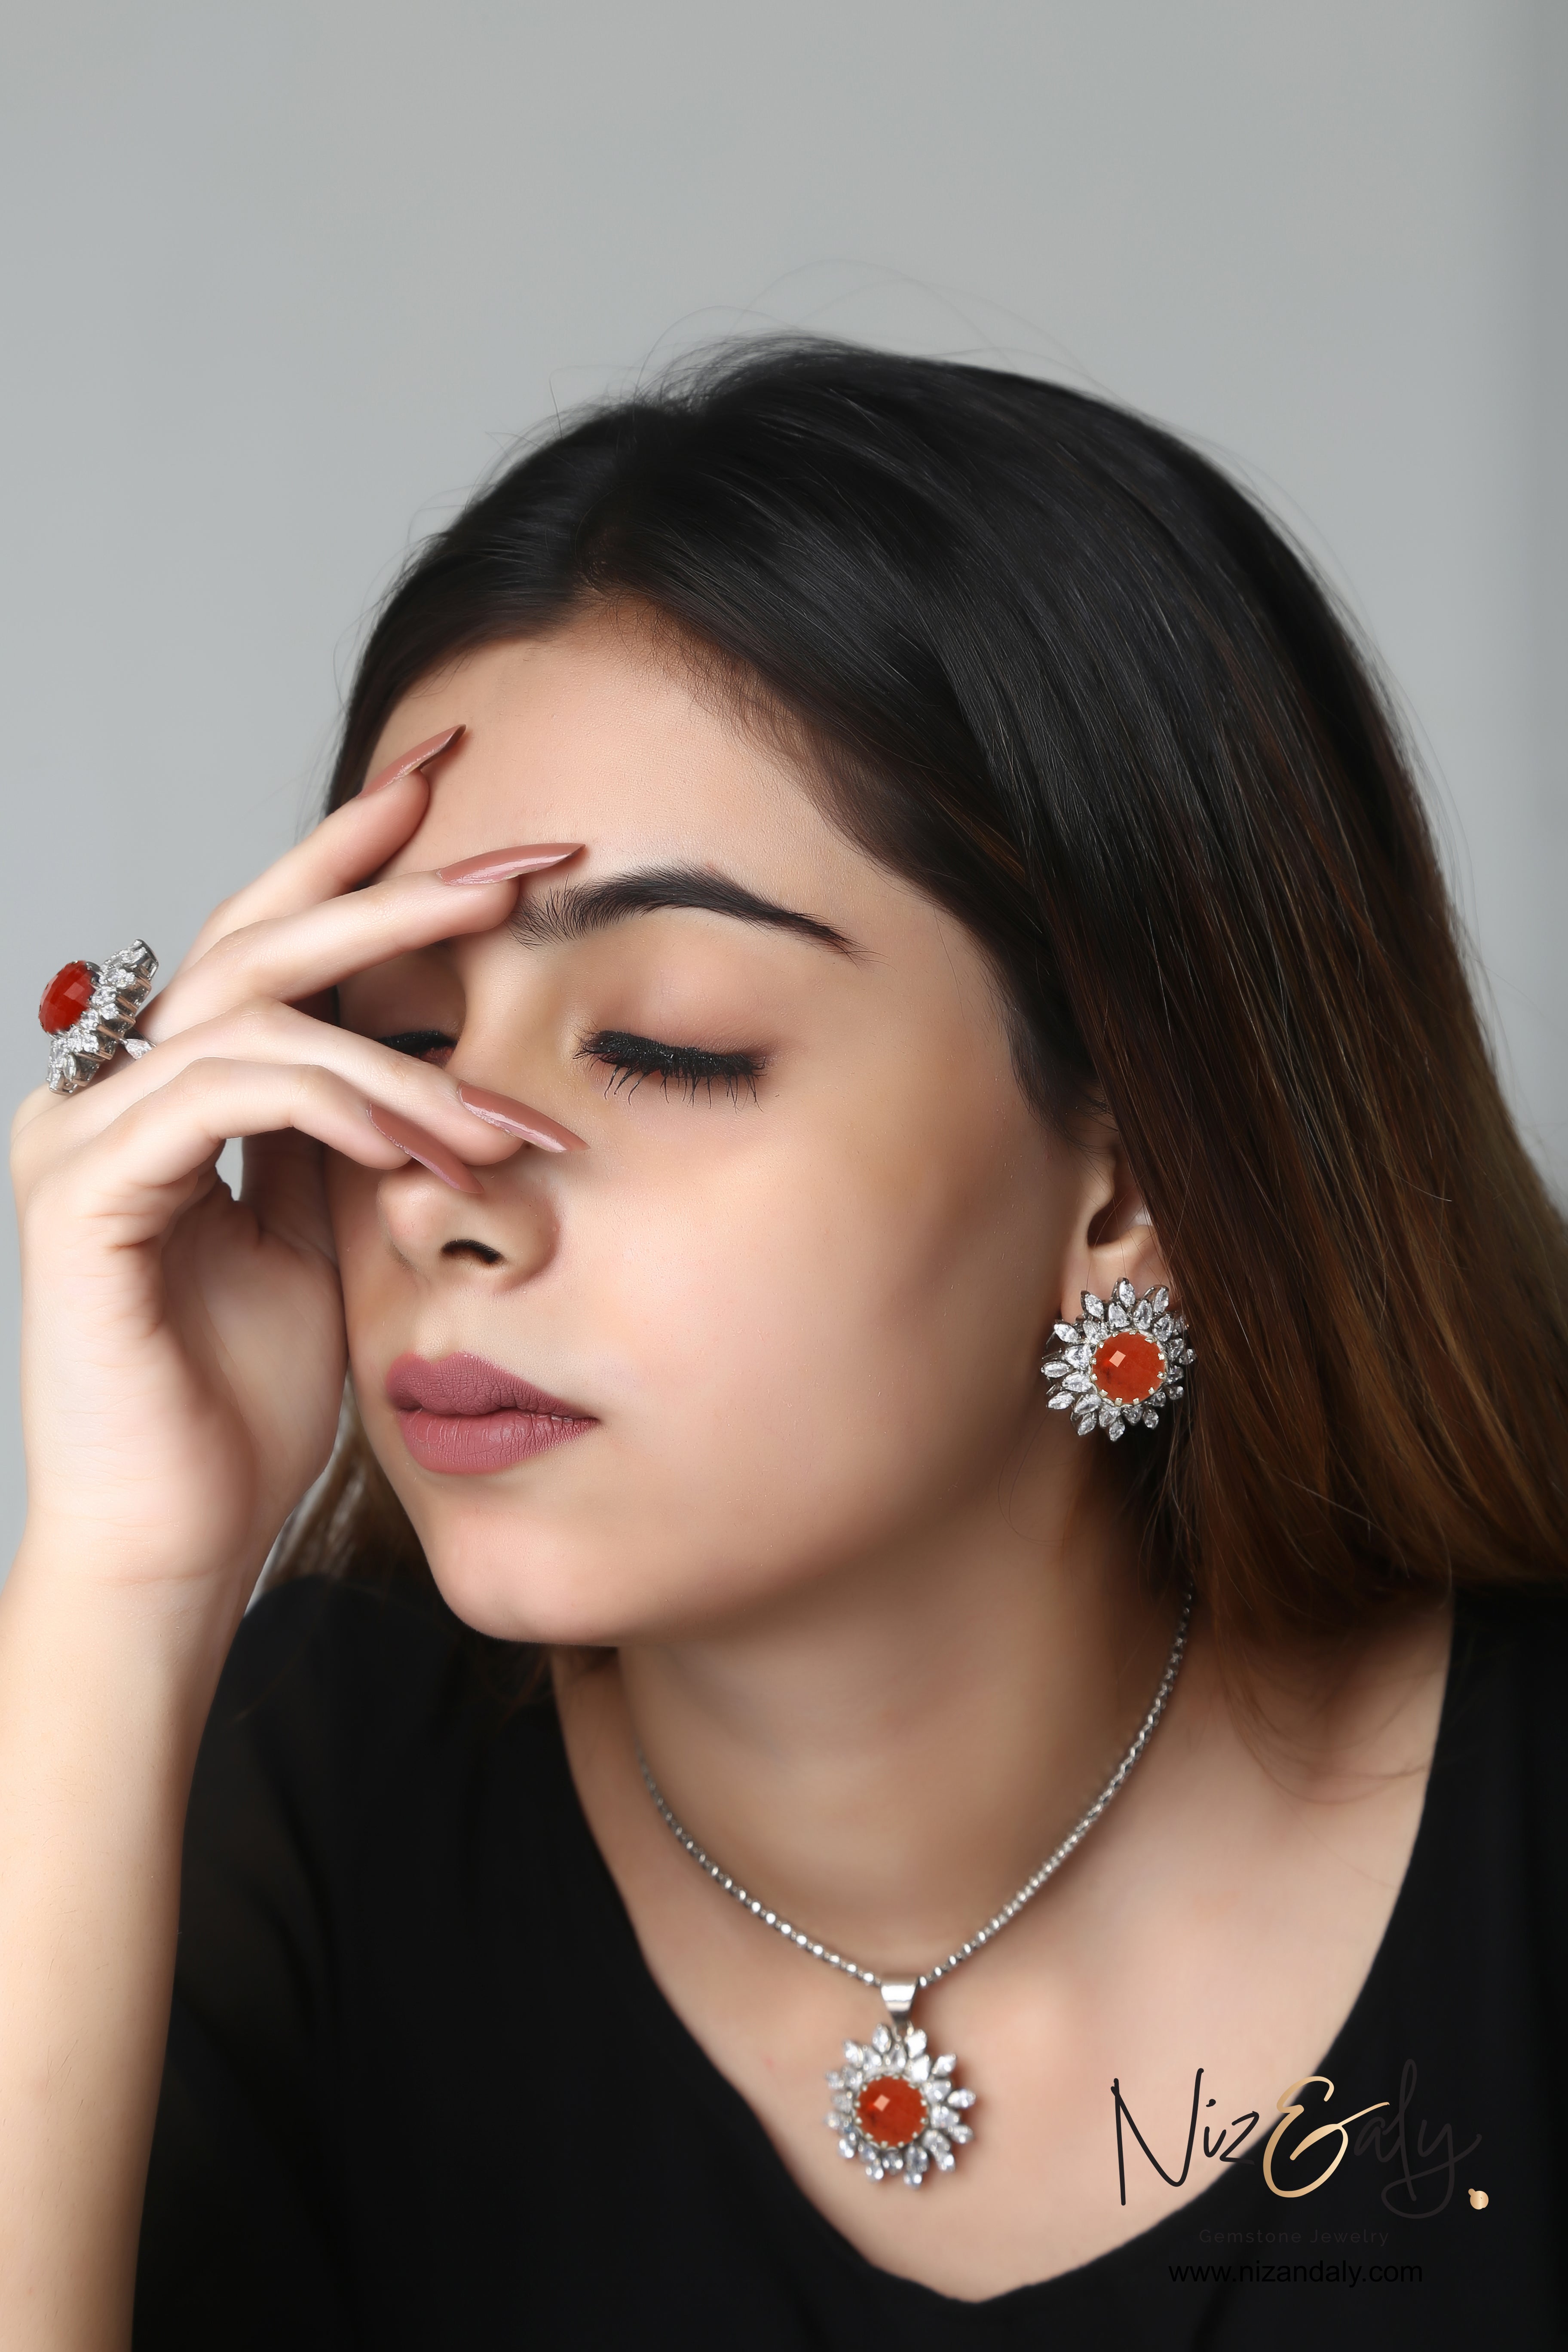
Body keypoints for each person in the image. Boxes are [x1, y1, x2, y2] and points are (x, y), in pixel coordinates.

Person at [3, 342, 1565, 2352]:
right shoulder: (294, 1804)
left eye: (667, 1048)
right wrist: (124, 1578)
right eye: (395, 1041)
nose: (439, 1193)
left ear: (1130, 1186)